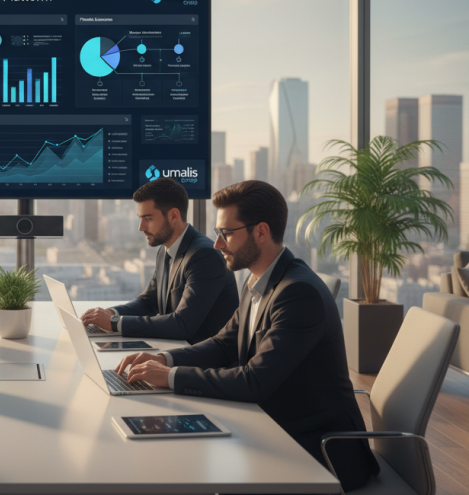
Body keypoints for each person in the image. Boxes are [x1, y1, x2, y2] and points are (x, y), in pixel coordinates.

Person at [116, 180, 379, 492]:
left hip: (316, 452)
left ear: (261, 232)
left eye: (226, 233)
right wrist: (163, 359)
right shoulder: (257, 281)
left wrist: (170, 376)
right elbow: (225, 344)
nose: (217, 244)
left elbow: (255, 381)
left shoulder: (298, 293)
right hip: (271, 428)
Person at [81, 177, 239, 342]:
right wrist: (111, 314)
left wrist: (114, 323)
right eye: (140, 219)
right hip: (173, 348)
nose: (141, 227)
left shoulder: (204, 256)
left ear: (173, 216)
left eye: (148, 219)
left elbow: (182, 324)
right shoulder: (165, 250)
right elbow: (149, 302)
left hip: (202, 360)